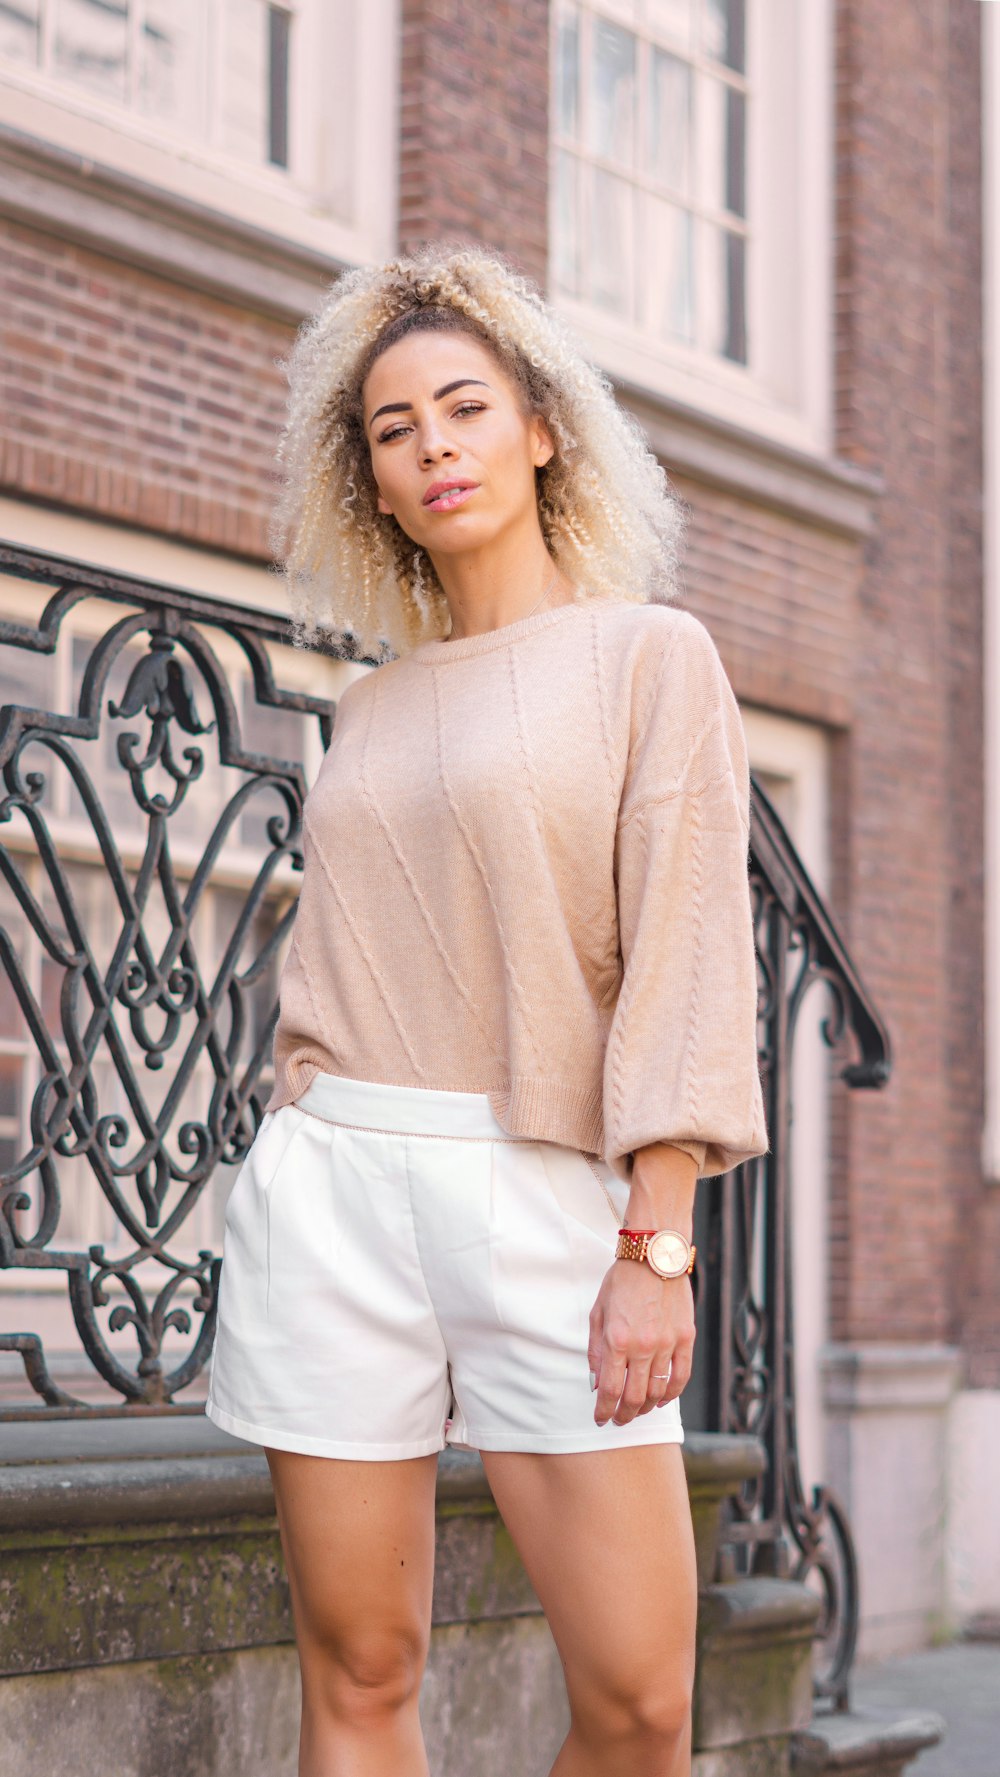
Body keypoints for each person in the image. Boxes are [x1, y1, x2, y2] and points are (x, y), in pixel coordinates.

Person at [205, 243, 769, 1777]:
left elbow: (689, 950)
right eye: (395, 430)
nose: (433, 444)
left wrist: (658, 1238)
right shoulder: (369, 705)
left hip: (540, 1189)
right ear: (374, 486)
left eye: (464, 407)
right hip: (337, 1185)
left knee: (643, 1703)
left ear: (542, 430)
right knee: (363, 1672)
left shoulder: (654, 659)